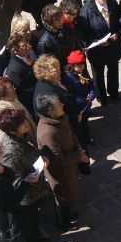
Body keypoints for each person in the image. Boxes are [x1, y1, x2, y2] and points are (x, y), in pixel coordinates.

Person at [0, 108, 50, 242]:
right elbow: (13, 178)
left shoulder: (20, 137)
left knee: (33, 220)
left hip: (33, 190)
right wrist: (29, 177)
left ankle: (35, 239)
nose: (25, 123)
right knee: (24, 226)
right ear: (12, 129)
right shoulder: (10, 150)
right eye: (21, 123)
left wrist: (41, 157)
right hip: (25, 196)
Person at [36, 93, 88, 232]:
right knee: (62, 197)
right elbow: (57, 158)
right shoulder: (47, 133)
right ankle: (63, 223)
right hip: (61, 171)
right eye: (59, 104)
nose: (62, 105)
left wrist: (78, 149)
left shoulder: (60, 118)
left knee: (69, 194)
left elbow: (71, 133)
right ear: (50, 113)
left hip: (70, 165)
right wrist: (78, 156)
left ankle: (68, 215)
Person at [78, 0, 121, 104]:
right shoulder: (87, 10)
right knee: (98, 74)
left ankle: (114, 92)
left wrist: (118, 33)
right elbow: (84, 32)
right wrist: (96, 41)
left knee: (113, 70)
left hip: (113, 46)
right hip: (97, 50)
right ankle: (101, 96)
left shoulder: (112, 3)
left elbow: (120, 21)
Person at [0, 76, 37, 143]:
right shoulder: (1, 115)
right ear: (1, 95)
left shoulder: (12, 101)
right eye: (10, 88)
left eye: (12, 86)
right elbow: (5, 141)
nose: (14, 89)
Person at [36, 4, 83, 68]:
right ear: (49, 22)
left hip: (76, 66)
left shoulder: (66, 27)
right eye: (57, 20)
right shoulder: (44, 42)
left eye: (60, 18)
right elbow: (46, 65)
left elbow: (76, 42)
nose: (60, 21)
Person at [4, 33, 38, 118]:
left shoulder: (26, 57)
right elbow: (22, 92)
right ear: (14, 50)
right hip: (32, 106)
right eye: (24, 46)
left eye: (27, 44)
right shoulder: (14, 69)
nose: (28, 47)